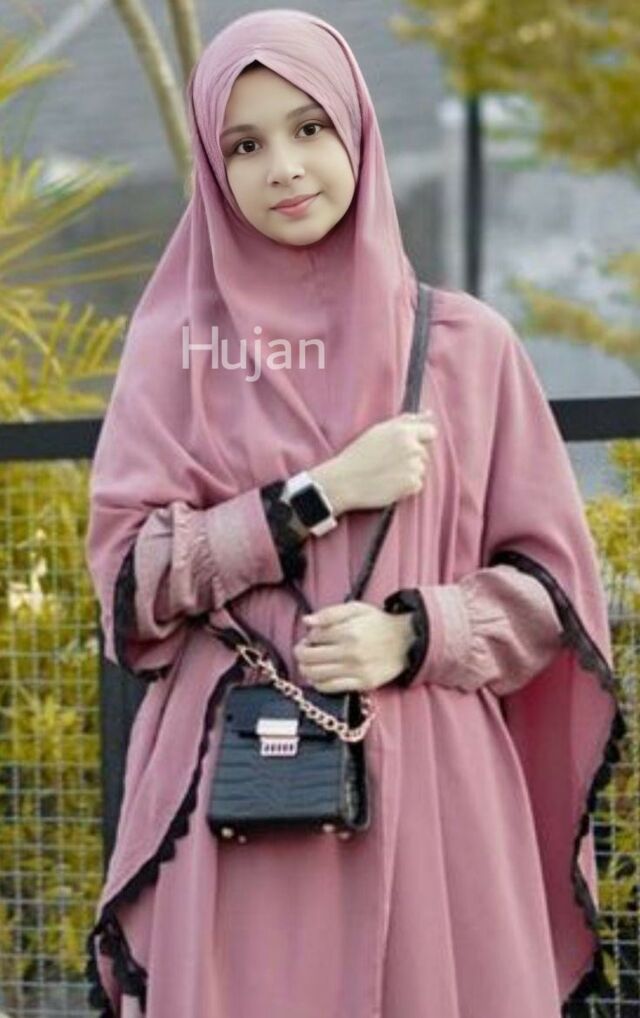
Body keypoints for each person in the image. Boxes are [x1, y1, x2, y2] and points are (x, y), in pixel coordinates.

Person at [84, 9, 626, 1018]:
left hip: (433, 796)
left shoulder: (468, 349)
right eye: (245, 145)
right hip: (238, 798)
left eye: (309, 128)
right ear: (213, 167)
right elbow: (129, 582)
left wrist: (414, 634)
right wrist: (312, 496)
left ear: (357, 132)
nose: (284, 168)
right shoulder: (178, 355)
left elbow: (551, 594)